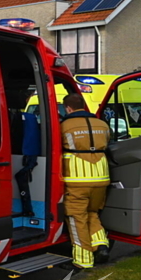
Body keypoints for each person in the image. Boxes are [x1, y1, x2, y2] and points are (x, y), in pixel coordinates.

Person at [60, 93, 112, 269]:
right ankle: (101, 245)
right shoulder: (102, 124)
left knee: (76, 218)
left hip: (76, 178)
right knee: (92, 212)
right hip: (101, 176)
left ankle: (83, 261)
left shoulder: (65, 125)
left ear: (68, 108)